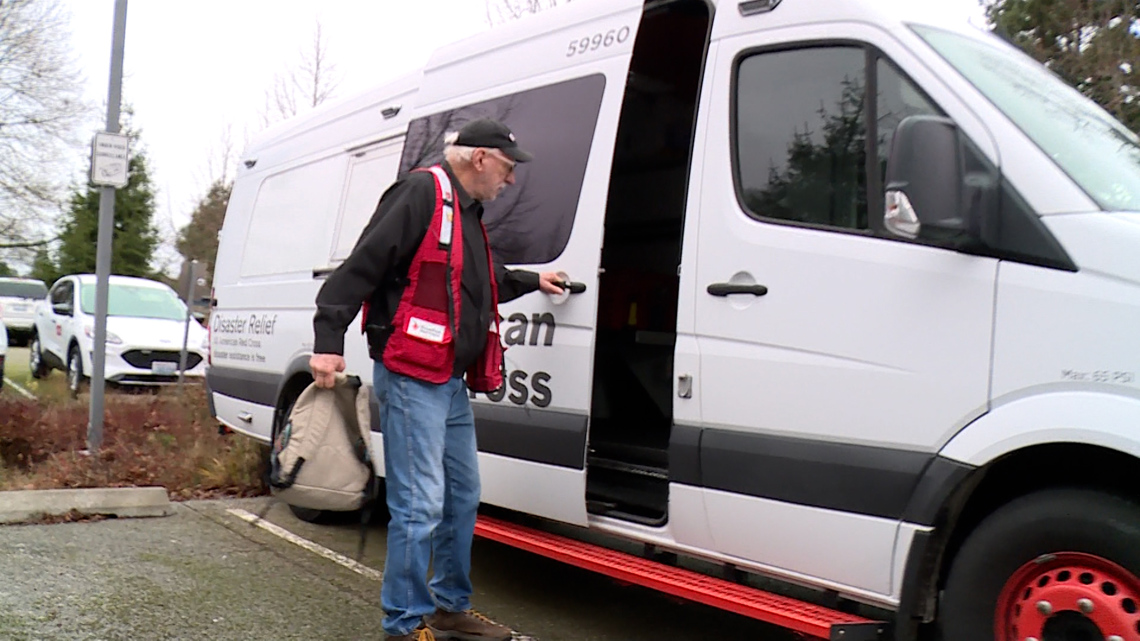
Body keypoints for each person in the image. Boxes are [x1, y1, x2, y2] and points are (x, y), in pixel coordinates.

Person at [310, 118, 565, 641]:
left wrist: (529, 279)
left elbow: (475, 279)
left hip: (447, 379)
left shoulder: (465, 213)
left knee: (462, 496)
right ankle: (402, 625)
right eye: (508, 168)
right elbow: (361, 266)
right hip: (411, 376)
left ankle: (450, 607)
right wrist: (327, 341)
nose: (510, 180)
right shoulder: (421, 193)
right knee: (420, 503)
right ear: (480, 159)